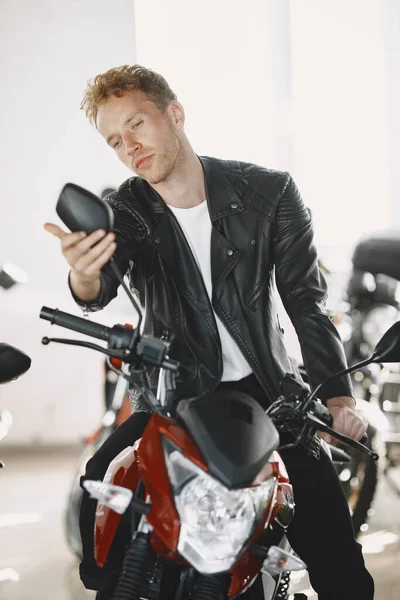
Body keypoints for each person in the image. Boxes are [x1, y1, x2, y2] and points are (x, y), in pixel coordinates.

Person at [45, 65, 374, 600]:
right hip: (174, 398)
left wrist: (338, 397)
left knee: (338, 557)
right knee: (100, 480)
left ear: (174, 113)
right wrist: (83, 272)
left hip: (269, 397)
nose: (129, 146)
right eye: (114, 139)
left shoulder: (269, 193)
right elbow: (101, 281)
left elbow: (306, 304)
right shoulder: (128, 207)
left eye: (137, 124)